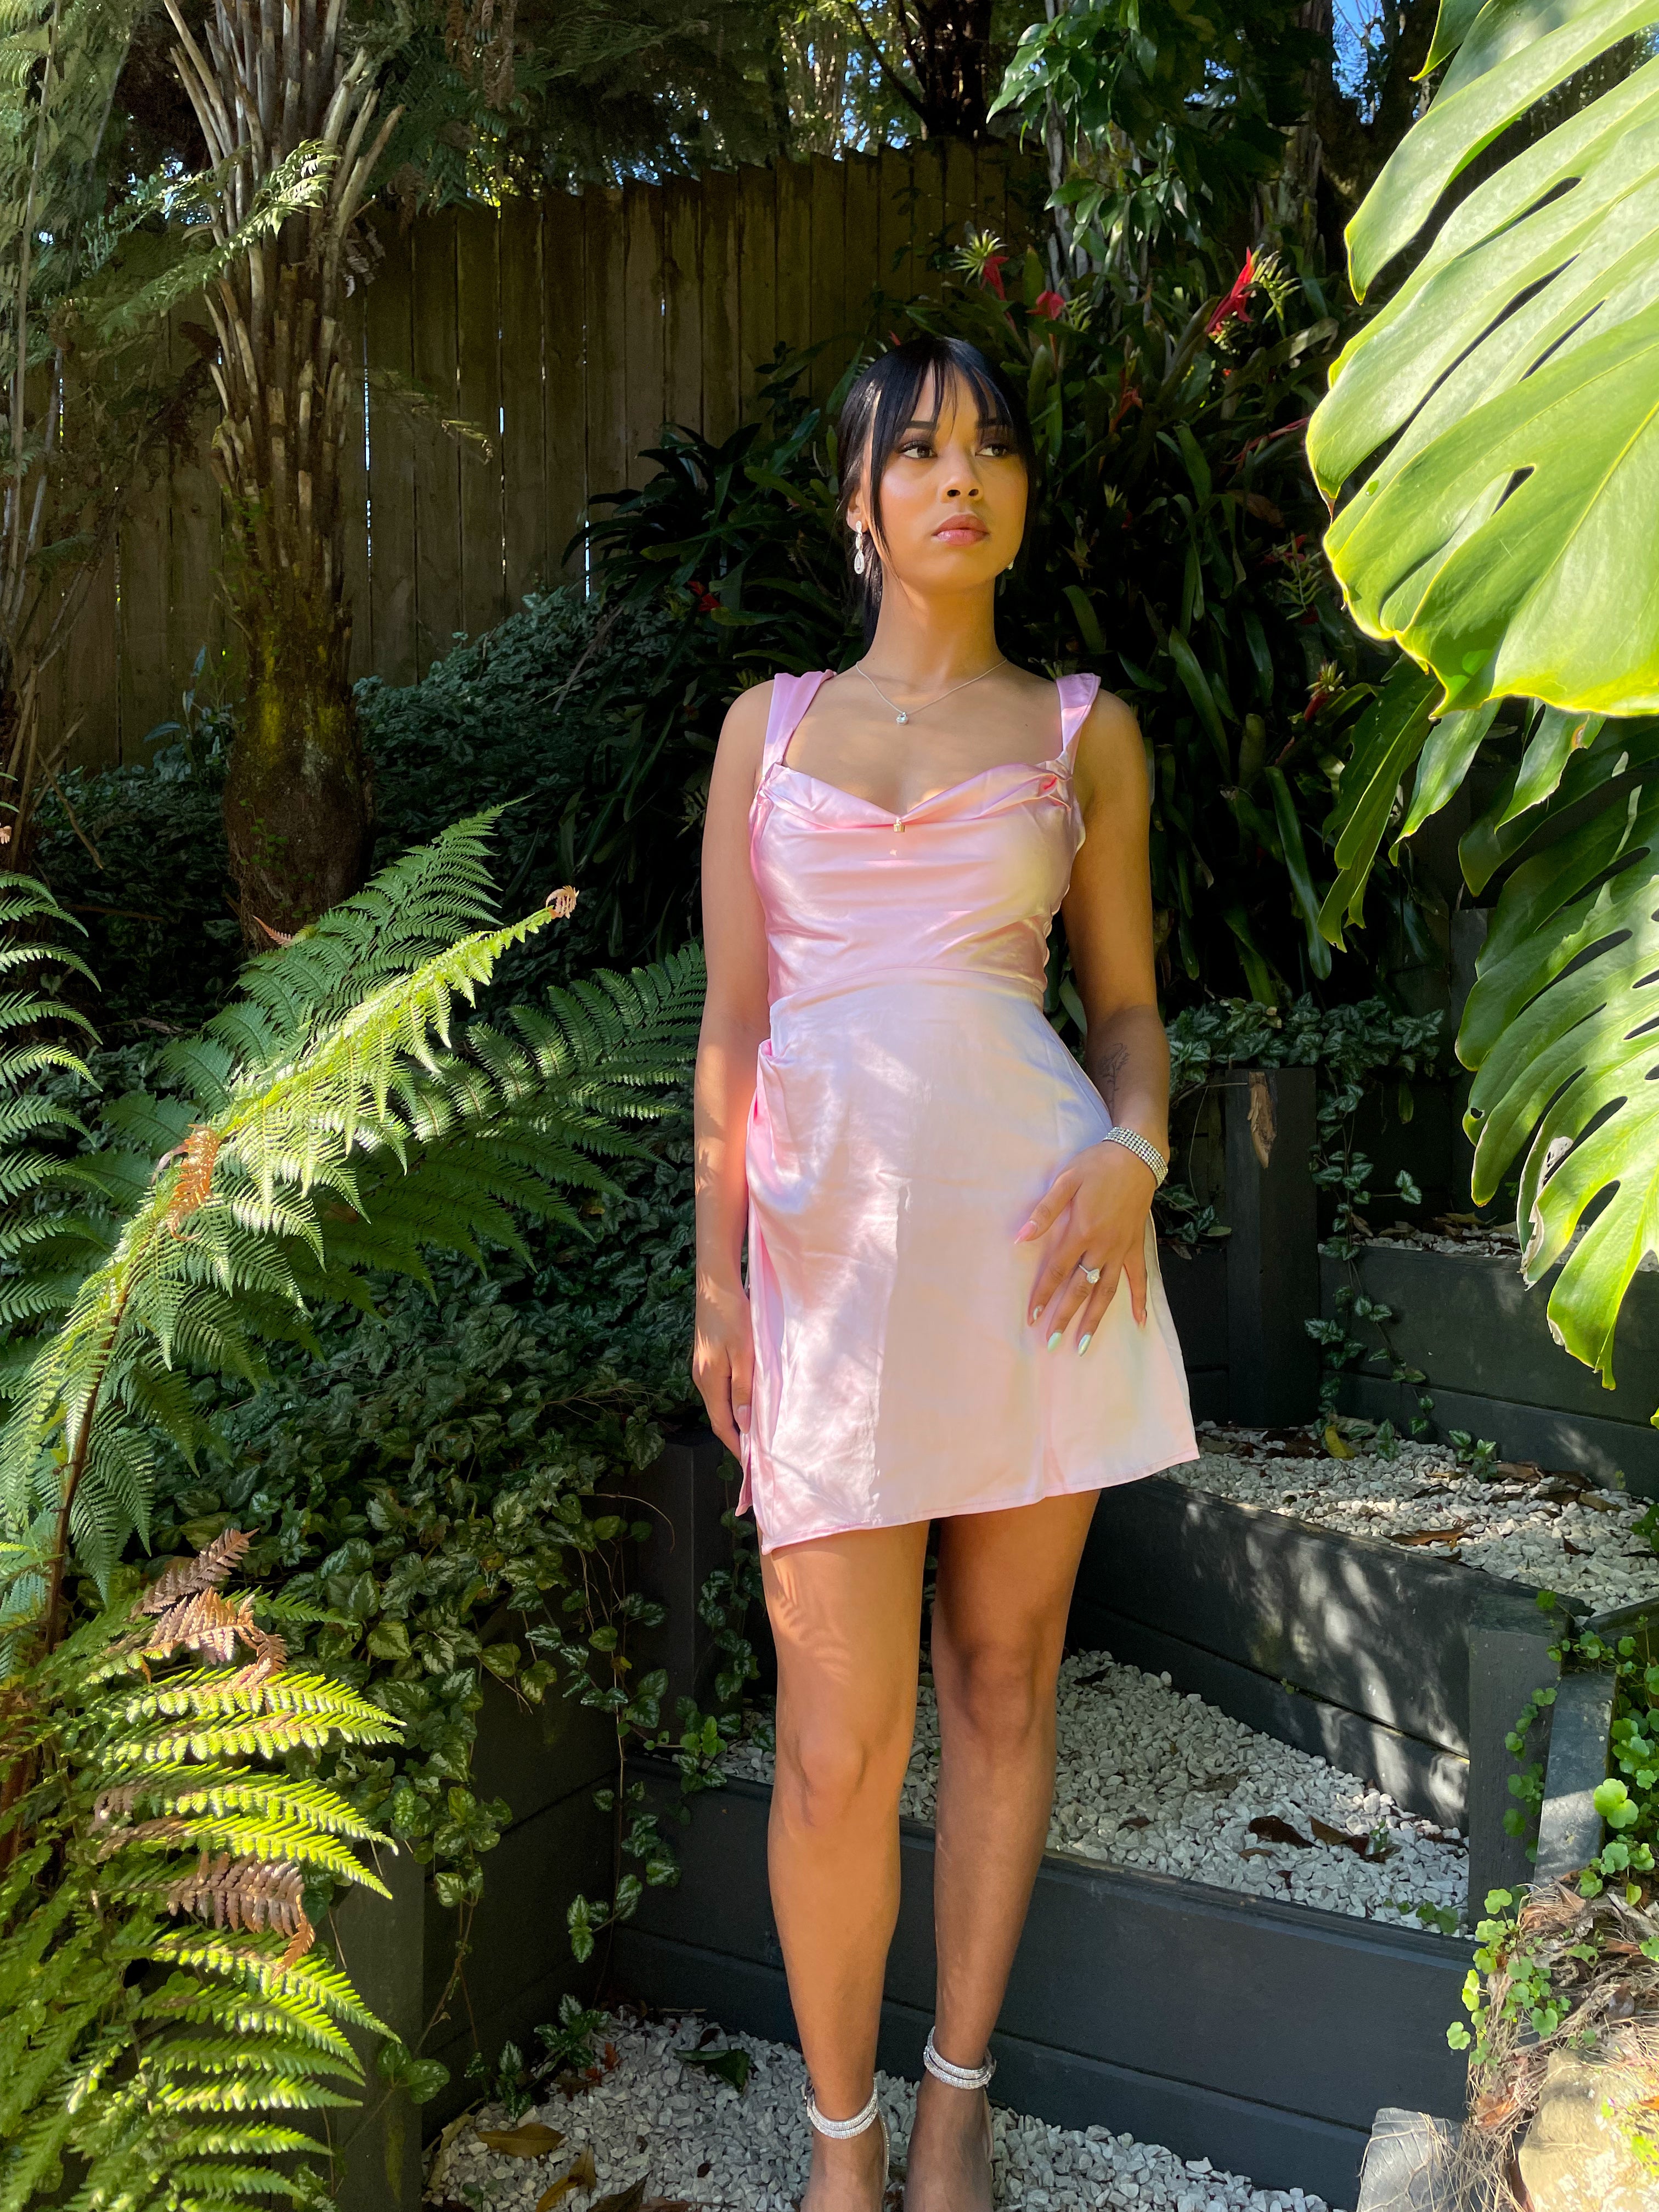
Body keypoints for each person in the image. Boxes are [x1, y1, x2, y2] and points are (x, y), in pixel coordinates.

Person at [692, 333, 1196, 2212]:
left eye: (988, 447)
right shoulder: (767, 732)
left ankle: (957, 2103)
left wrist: (1136, 1157)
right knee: (835, 1746)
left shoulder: (1084, 733)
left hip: (1038, 1256)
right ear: (859, 499)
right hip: (824, 1278)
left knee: (999, 1682)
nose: (958, 476)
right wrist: (718, 1284)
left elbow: (1127, 1015)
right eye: (916, 450)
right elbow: (733, 1031)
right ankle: (843, 2149)